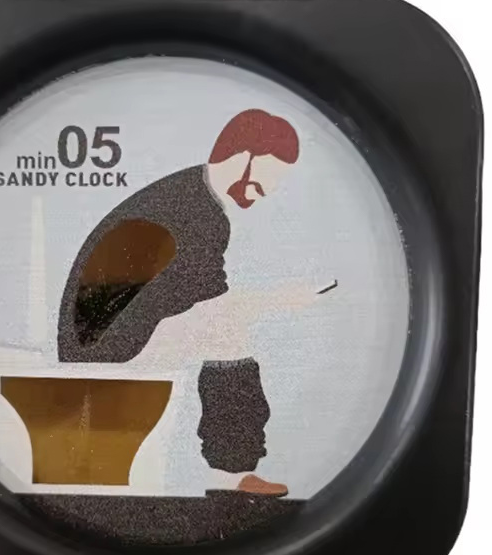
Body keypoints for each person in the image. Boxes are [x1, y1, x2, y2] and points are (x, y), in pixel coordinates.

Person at [57, 109, 313, 496]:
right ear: (244, 156)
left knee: (224, 327)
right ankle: (233, 473)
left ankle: (234, 471)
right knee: (228, 331)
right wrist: (282, 300)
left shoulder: (184, 194)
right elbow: (216, 305)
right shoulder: (198, 213)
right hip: (99, 347)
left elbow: (188, 298)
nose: (268, 191)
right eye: (268, 177)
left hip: (105, 334)